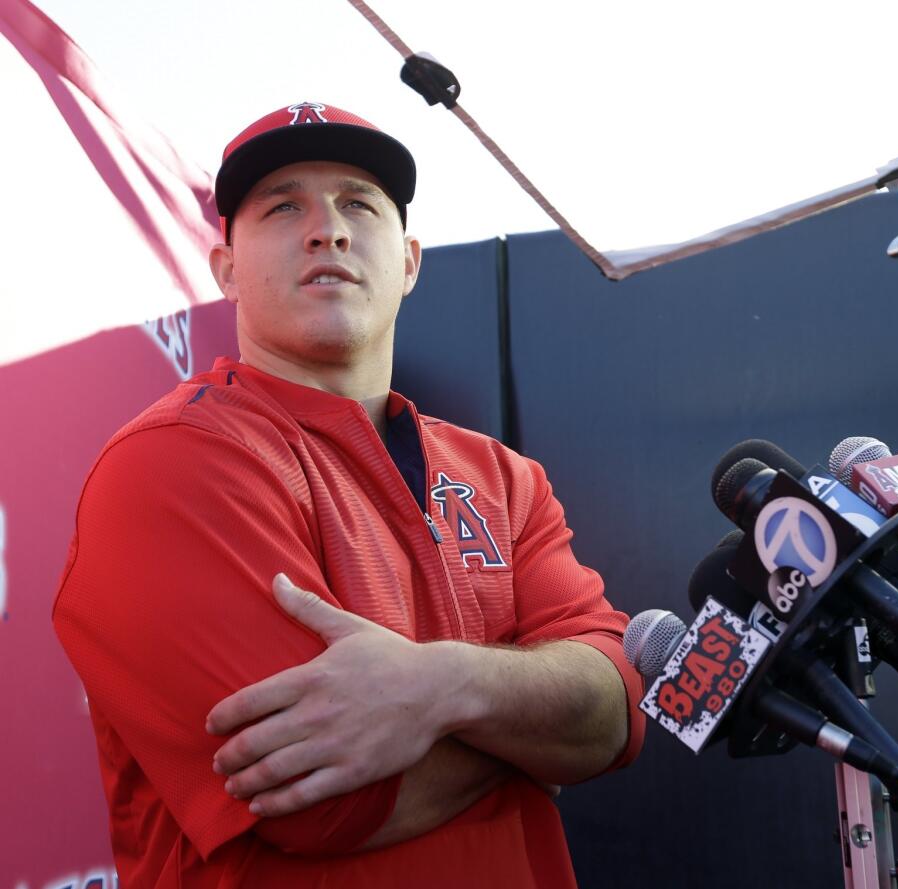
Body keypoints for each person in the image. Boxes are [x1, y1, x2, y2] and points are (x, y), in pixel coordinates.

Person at [53, 101, 644, 887]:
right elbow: (321, 804)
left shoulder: (505, 477)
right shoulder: (171, 460)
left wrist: (444, 685)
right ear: (226, 265)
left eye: (359, 203)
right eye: (283, 205)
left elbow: (615, 710)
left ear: (408, 260)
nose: (327, 228)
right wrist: (531, 728)